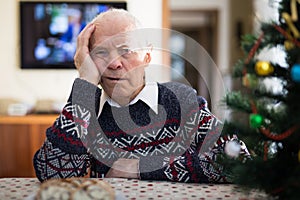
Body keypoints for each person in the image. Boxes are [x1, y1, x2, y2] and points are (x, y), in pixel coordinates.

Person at [33, 8, 249, 183]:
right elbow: (55, 177)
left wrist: (141, 167)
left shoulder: (180, 101)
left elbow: (239, 161)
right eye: (101, 53)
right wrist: (85, 82)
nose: (115, 64)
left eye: (125, 51)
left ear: (147, 56)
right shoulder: (84, 111)